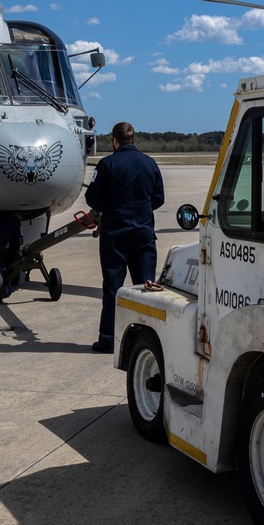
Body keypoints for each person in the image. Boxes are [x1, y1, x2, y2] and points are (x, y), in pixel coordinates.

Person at [85, 121, 164, 352]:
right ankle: (147, 340)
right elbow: (159, 199)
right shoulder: (150, 163)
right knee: (146, 288)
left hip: (115, 235)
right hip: (143, 233)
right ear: (133, 139)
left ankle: (108, 339)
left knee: (113, 288)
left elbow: (93, 199)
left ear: (115, 140)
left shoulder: (107, 164)